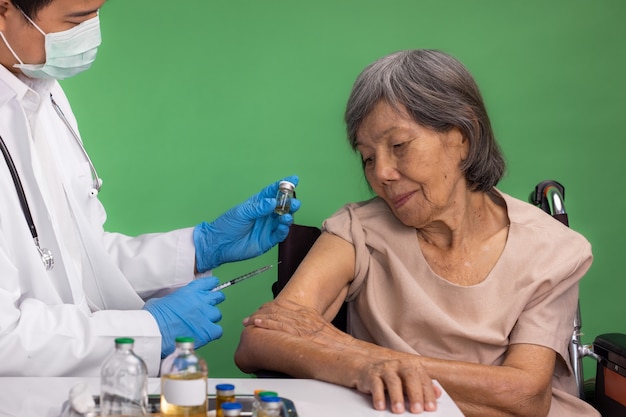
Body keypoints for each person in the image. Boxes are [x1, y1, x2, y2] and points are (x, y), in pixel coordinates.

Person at [234, 49, 600, 417]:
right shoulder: (358, 231)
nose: (382, 174)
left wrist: (352, 351)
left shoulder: (553, 250)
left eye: (398, 146)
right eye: (368, 158)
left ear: (462, 136)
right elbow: (258, 339)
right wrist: (360, 368)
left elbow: (524, 397)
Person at [0, 0, 300, 377]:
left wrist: (200, 247)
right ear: (4, 10)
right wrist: (148, 330)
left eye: (97, 12)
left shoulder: (44, 93)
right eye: (76, 19)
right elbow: (5, 338)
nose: (92, 32)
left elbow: (79, 257)